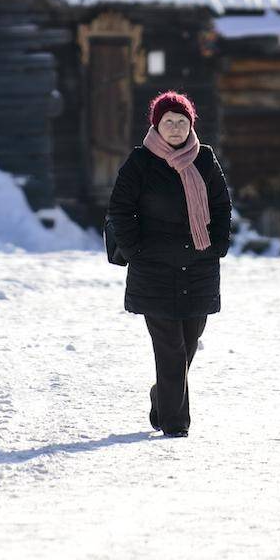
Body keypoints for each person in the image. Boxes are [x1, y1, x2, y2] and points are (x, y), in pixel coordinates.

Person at [104, 90, 232, 438]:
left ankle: (162, 394)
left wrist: (217, 245)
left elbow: (221, 206)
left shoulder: (204, 159)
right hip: (154, 268)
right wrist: (135, 250)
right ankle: (176, 424)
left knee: (189, 342)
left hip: (199, 265)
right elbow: (120, 210)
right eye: (168, 122)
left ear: (191, 125)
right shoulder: (140, 162)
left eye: (181, 122)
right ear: (156, 126)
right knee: (170, 348)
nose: (175, 128)